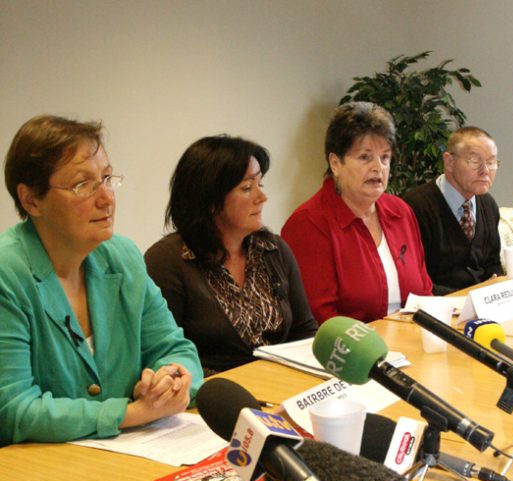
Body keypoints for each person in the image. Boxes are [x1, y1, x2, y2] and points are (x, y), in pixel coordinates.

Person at [0, 115, 203, 445]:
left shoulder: (122, 257)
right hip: (34, 475)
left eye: (107, 178)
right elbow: (12, 410)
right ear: (31, 200)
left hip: (125, 456)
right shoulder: (7, 272)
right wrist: (132, 413)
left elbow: (174, 349)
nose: (106, 198)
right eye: (83, 185)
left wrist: (169, 381)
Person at [145, 136, 317, 375]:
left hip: (281, 388)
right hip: (210, 397)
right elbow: (162, 354)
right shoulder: (168, 261)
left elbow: (305, 331)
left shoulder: (273, 249)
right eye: (247, 188)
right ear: (210, 200)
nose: (262, 197)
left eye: (260, 184)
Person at [281, 102, 432, 324]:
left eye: (385, 157)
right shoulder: (309, 223)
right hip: (351, 352)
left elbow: (425, 293)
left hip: (411, 344)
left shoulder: (401, 211)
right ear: (335, 163)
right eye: (365, 157)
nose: (377, 167)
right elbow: (320, 320)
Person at [403, 126, 502, 295]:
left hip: (478, 305)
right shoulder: (415, 206)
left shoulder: (488, 204)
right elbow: (415, 279)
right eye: (475, 161)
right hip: (436, 307)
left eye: (491, 162)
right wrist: (464, 298)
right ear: (449, 162)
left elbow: (492, 264)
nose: (485, 171)